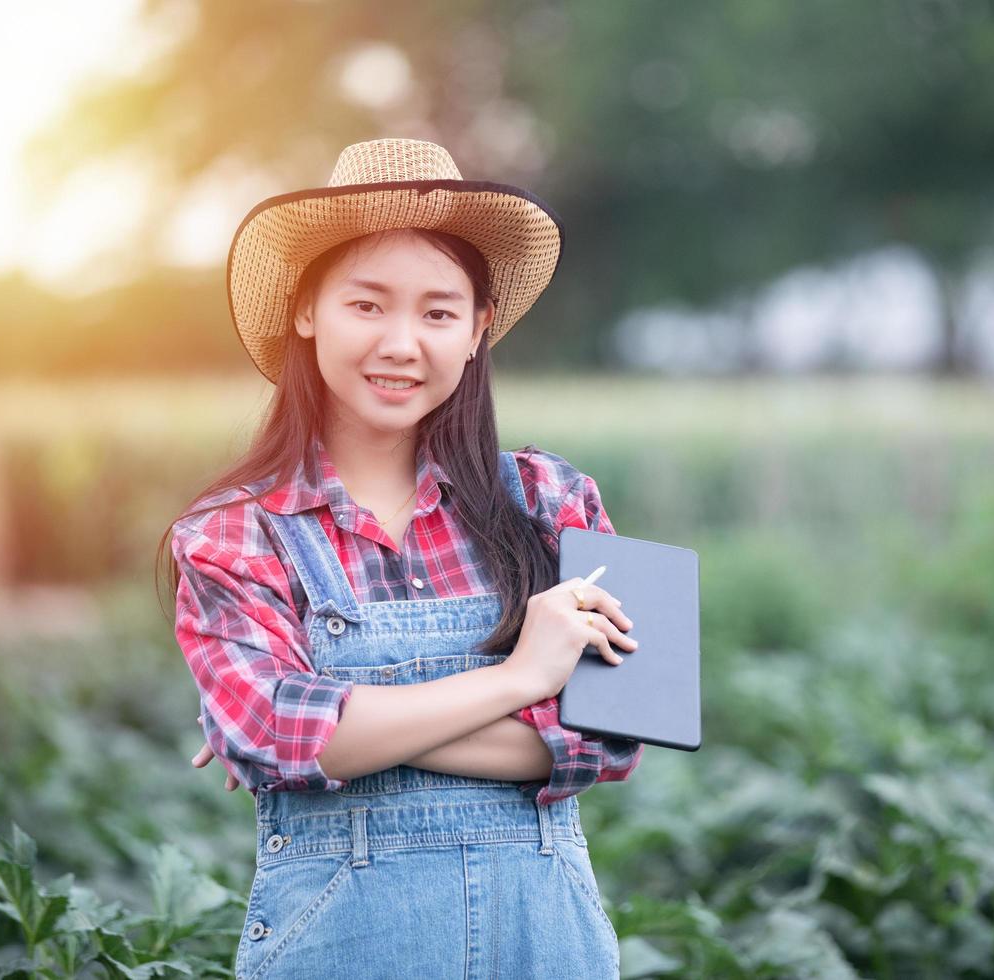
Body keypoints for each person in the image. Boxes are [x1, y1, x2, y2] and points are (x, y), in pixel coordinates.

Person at [158, 138, 644, 979]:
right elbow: (276, 733)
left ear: (478, 331)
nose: (401, 343)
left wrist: (332, 725)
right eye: (367, 305)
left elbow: (619, 736)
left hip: (546, 951)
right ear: (306, 310)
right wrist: (522, 681)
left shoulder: (556, 501)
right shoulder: (231, 532)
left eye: (438, 312)